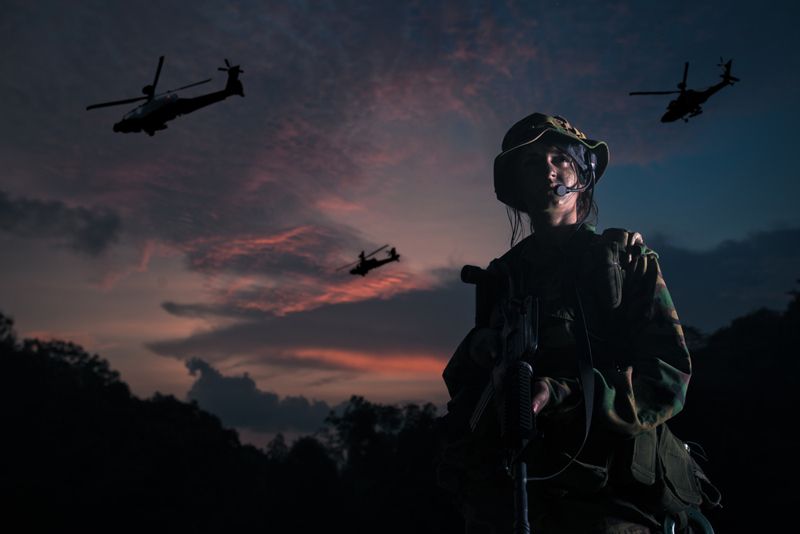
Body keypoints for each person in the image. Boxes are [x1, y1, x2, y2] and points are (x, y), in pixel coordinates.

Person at [436, 114, 719, 534]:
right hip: (524, 492)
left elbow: (667, 380)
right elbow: (466, 390)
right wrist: (481, 351)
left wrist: (562, 395)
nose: (548, 170)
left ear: (582, 176)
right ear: (517, 185)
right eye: (532, 163)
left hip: (614, 497)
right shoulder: (503, 277)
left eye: (559, 159)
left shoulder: (625, 262)